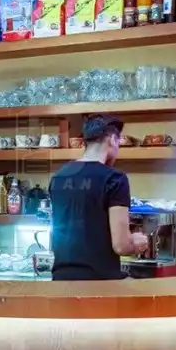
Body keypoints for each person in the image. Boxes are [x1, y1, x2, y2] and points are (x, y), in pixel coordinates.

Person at [48, 114, 148, 281]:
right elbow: (121, 246)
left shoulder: (58, 177)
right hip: (99, 283)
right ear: (113, 140)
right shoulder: (114, 178)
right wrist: (136, 242)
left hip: (61, 280)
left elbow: (56, 234)